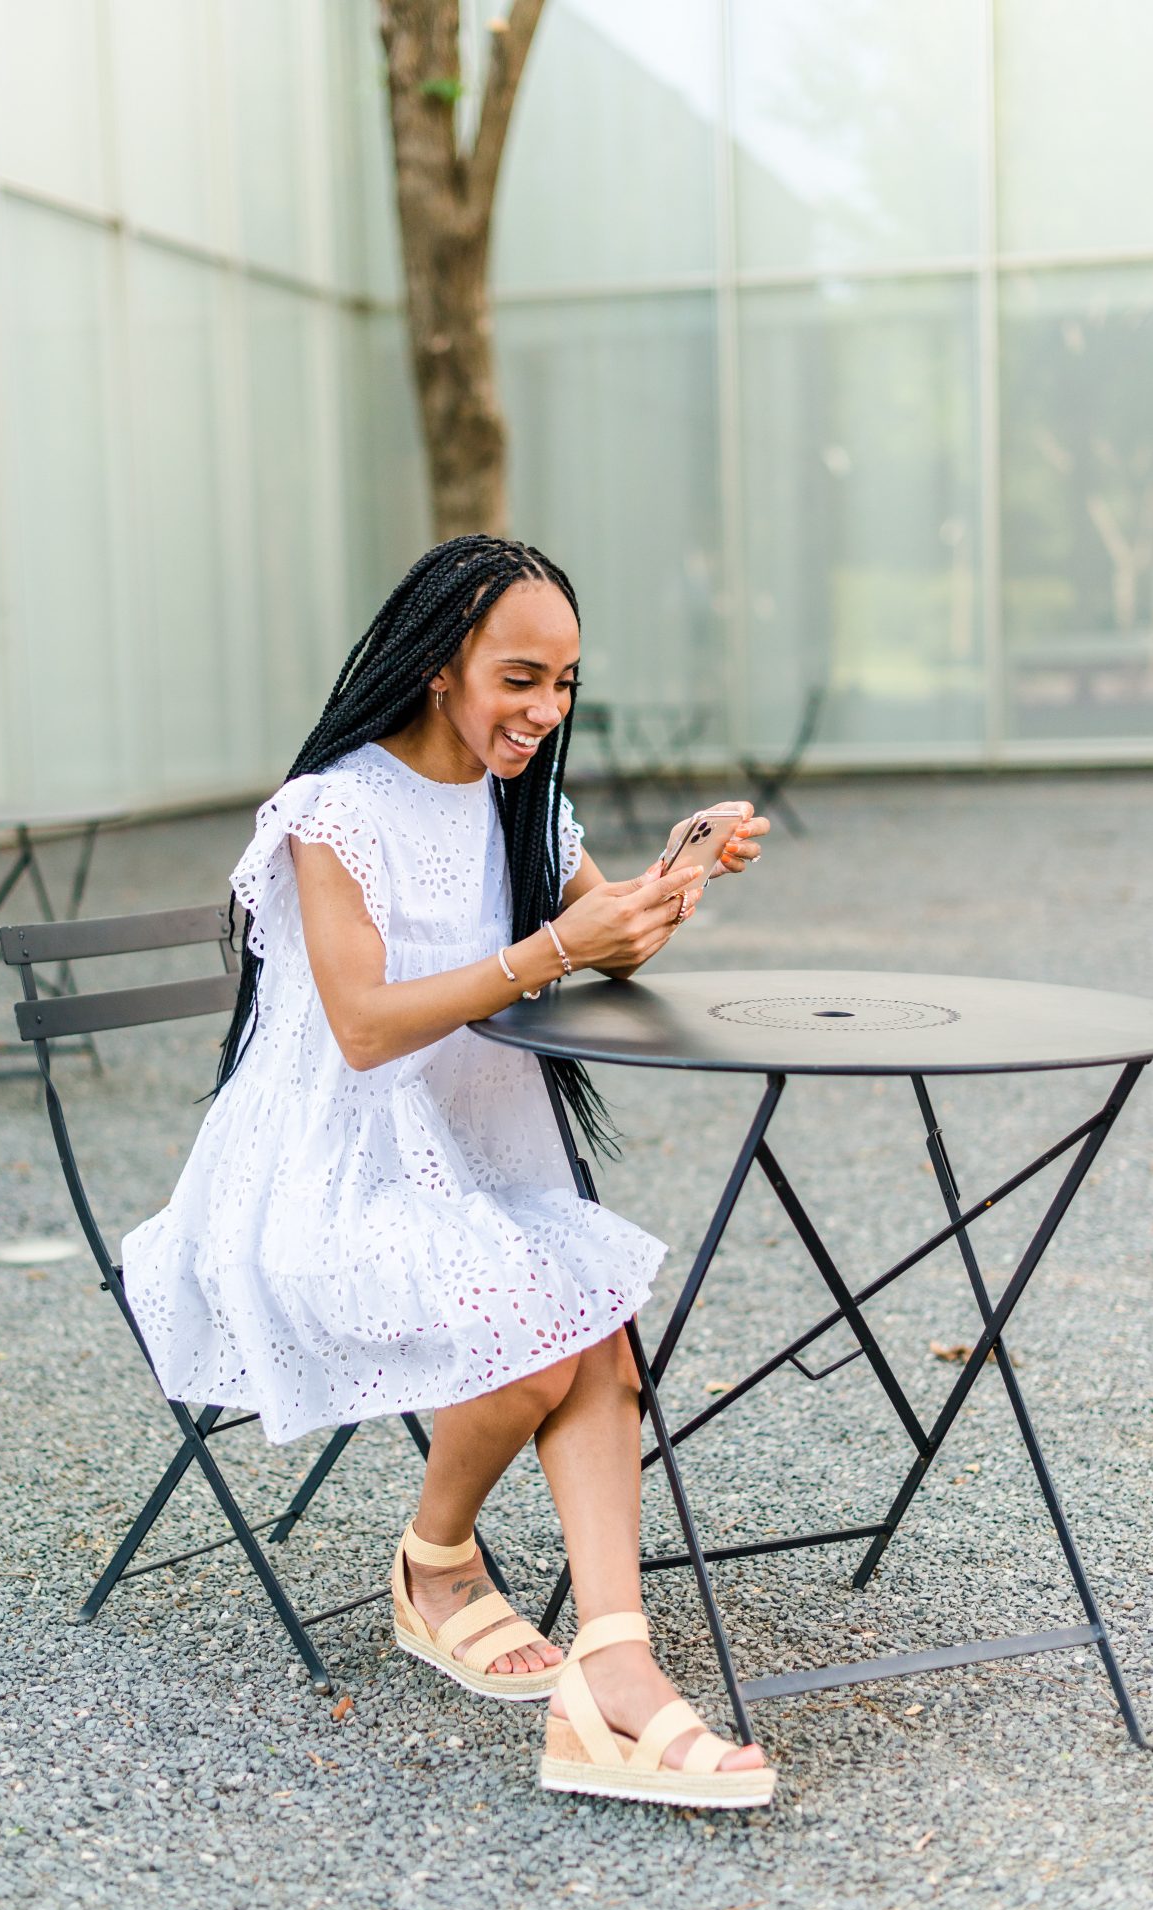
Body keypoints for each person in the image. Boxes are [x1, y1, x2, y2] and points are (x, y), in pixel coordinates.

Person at [122, 535, 775, 1810]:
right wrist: (552, 947)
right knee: (548, 1333)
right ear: (439, 666)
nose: (545, 712)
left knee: (598, 1334)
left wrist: (671, 880)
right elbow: (364, 1025)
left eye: (568, 684)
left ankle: (612, 1672)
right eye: (519, 678)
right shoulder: (336, 810)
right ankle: (433, 1564)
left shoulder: (521, 798)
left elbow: (610, 948)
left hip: (466, 1167)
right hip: (321, 1178)